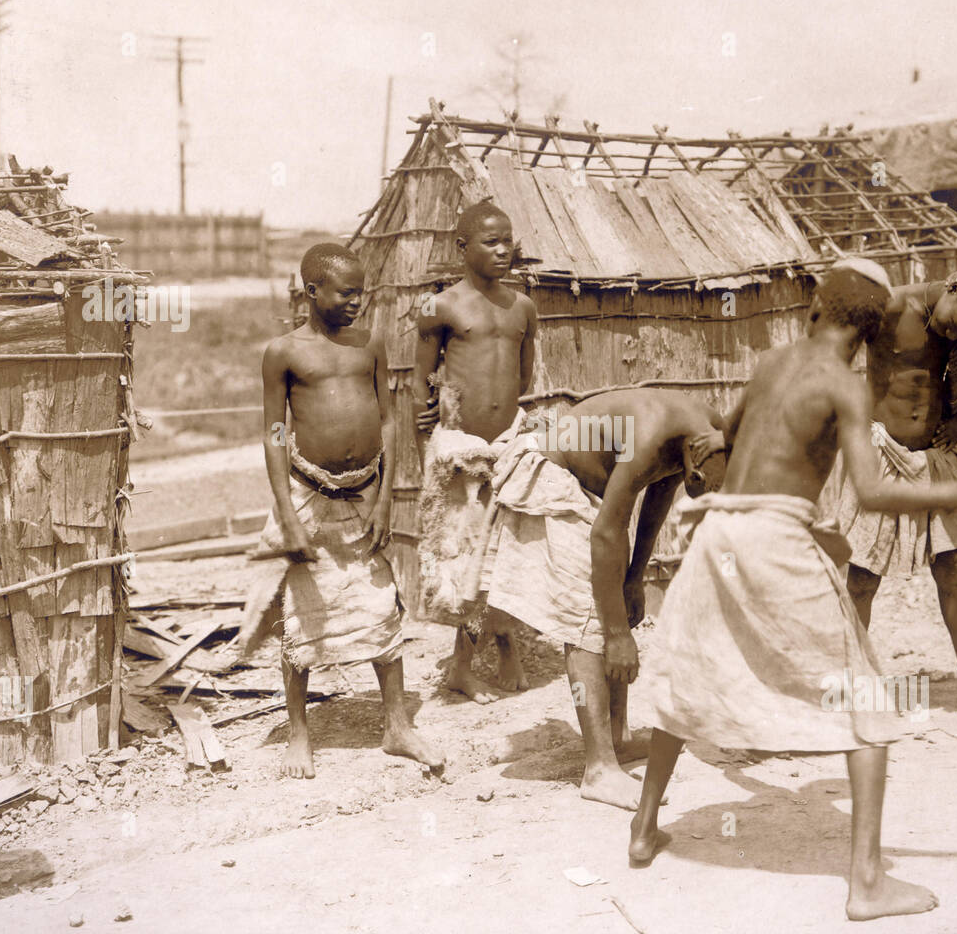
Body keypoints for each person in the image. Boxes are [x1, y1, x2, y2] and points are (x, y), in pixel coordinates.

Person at [628, 260, 957, 920]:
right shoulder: (846, 387)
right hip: (772, 536)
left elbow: (727, 436)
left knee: (685, 678)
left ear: (816, 309)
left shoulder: (769, 362)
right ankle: (868, 882)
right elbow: (874, 491)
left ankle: (644, 828)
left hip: (717, 534)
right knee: (868, 705)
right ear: (874, 333)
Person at [476, 389, 727, 810]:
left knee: (614, 595)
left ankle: (617, 738)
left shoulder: (708, 432)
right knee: (589, 614)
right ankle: (598, 769)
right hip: (552, 474)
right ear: (695, 462)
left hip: (592, 486)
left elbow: (658, 491)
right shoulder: (652, 433)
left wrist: (635, 578)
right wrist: (617, 635)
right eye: (697, 486)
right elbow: (606, 533)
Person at [819, 258, 957, 728]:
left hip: (934, 463)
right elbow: (825, 358)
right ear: (955, 287)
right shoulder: (891, 308)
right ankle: (846, 693)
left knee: (955, 572)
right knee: (861, 579)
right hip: (881, 457)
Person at [251, 243, 442, 777]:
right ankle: (299, 734)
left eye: (363, 291)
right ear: (313, 293)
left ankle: (398, 726)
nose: (358, 301)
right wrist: (286, 513)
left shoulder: (371, 342)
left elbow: (387, 421)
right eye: (347, 292)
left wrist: (384, 497)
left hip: (364, 493)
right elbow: (273, 433)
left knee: (382, 606)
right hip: (308, 492)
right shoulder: (283, 352)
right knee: (300, 611)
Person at [413, 201, 539, 702]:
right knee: (465, 556)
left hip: (508, 443)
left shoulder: (523, 307)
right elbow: (422, 378)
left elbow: (523, 376)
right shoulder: (439, 306)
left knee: (511, 549)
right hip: (461, 451)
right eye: (490, 241)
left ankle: (509, 646)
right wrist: (429, 419)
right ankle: (461, 667)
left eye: (507, 239)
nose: (503, 249)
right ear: (462, 247)